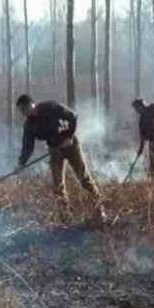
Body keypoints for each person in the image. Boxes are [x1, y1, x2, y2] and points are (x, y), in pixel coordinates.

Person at [16, 94, 105, 222]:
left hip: (70, 145)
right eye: (21, 111)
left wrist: (69, 137)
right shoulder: (29, 125)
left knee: (84, 178)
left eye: (24, 109)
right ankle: (66, 217)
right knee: (58, 186)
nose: (24, 113)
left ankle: (99, 210)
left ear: (31, 104)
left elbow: (73, 116)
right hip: (54, 150)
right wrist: (21, 163)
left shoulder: (51, 107)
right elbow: (27, 147)